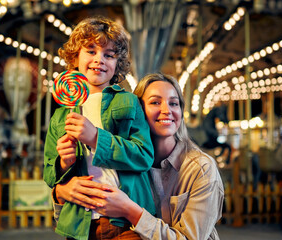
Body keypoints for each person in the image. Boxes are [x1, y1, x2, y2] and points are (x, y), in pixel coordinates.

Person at [54, 73, 224, 239]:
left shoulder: (200, 168)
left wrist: (130, 210)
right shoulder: (123, 160)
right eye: (155, 102)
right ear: (137, 111)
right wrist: (62, 192)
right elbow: (68, 218)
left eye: (174, 103)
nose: (167, 110)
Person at [43, 17, 156, 240]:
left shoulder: (128, 102)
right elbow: (49, 173)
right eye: (91, 51)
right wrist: (65, 162)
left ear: (117, 64)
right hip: (80, 223)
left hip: (125, 221)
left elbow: (144, 156)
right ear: (75, 57)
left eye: (109, 55)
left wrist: (96, 138)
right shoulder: (60, 115)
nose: (99, 59)